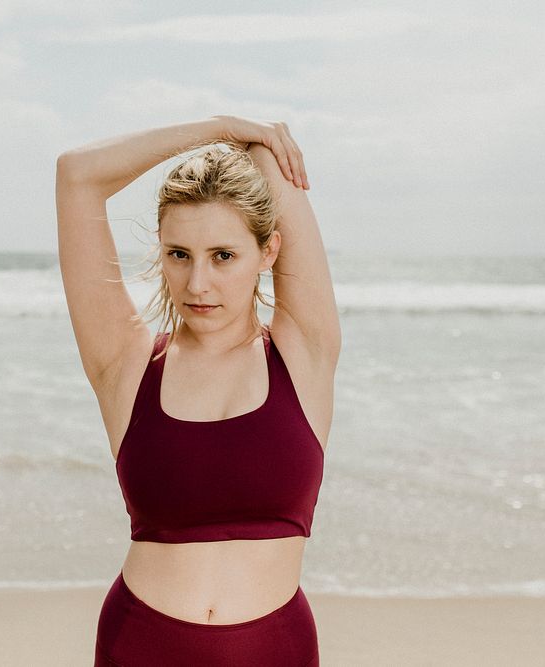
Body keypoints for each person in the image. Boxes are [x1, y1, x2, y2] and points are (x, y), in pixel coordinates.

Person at [55, 115, 340, 666]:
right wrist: (218, 128)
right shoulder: (126, 362)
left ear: (269, 252)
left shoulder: (303, 352)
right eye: (178, 254)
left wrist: (256, 142)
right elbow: (77, 175)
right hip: (140, 647)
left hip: (274, 651)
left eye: (224, 256)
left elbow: (274, 164)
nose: (197, 283)